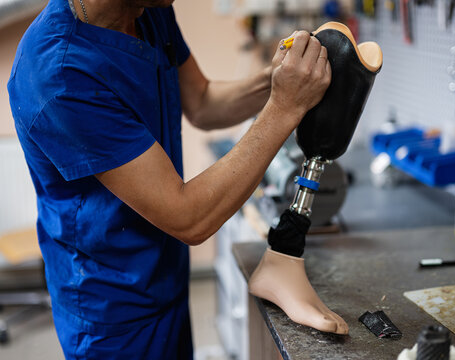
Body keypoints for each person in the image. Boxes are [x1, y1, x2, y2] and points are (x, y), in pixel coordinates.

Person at [7, 0, 331, 358]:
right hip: (112, 314)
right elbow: (188, 217)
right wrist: (285, 107)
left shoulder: (146, 9)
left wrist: (275, 81)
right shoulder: (58, 74)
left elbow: (203, 103)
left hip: (165, 280)